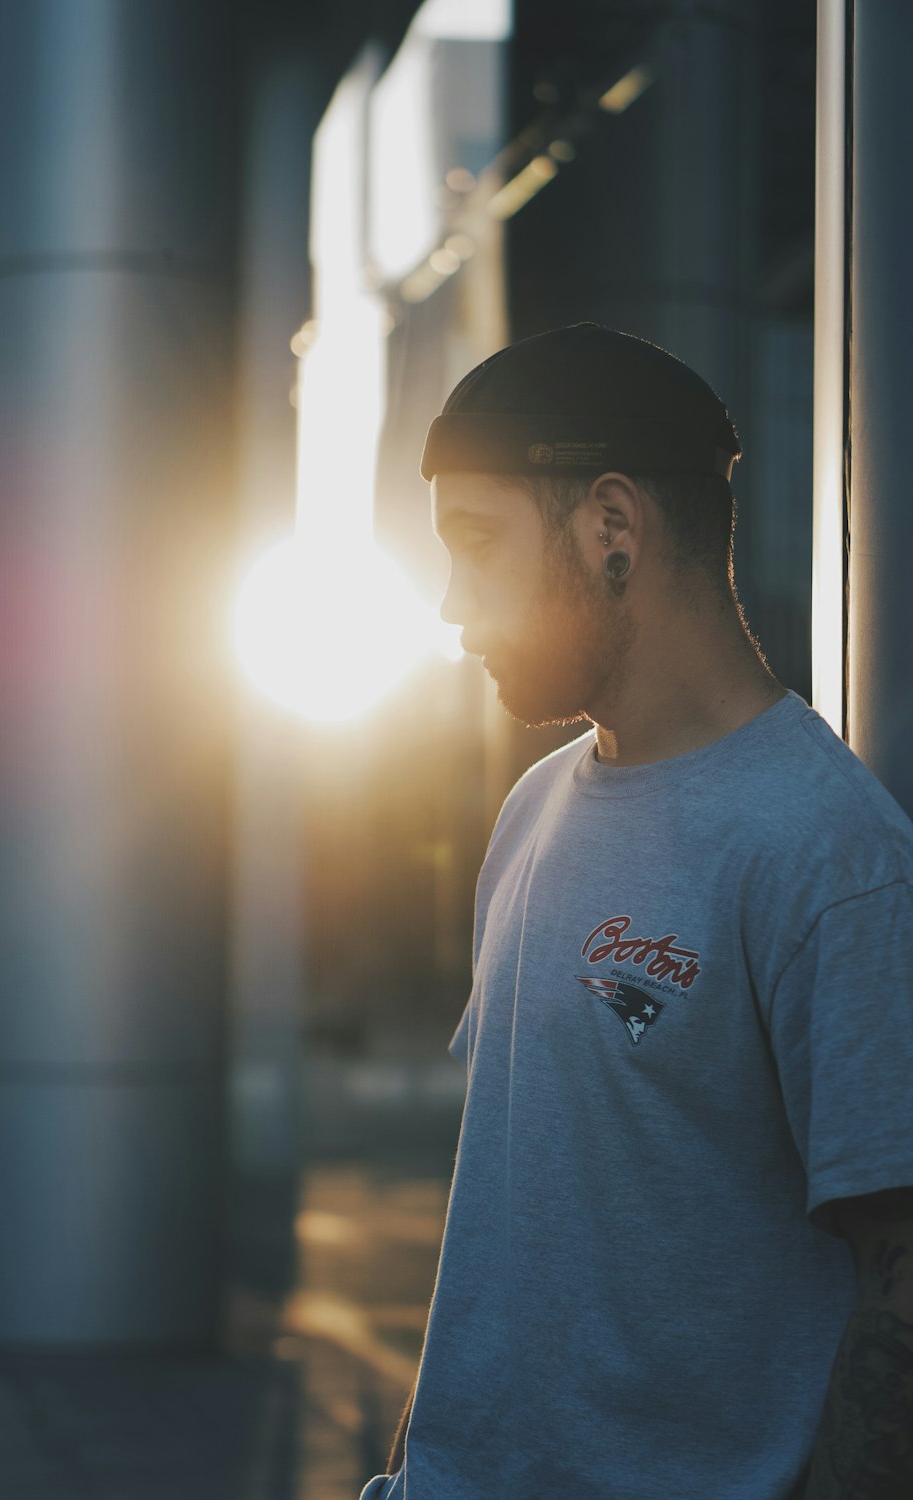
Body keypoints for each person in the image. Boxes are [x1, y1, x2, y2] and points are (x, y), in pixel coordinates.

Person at [358, 324, 913, 1500]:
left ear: (612, 528)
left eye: (475, 544)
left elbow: (898, 1294)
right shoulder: (533, 809)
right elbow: (516, 1205)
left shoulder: (830, 855)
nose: (452, 606)